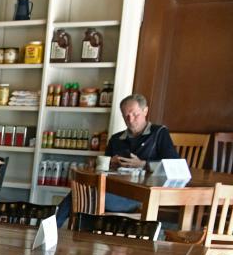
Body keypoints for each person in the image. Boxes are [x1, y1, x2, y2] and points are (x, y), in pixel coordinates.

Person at [55, 93, 179, 226]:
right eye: (126, 116)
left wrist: (144, 164)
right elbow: (101, 168)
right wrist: (109, 163)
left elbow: (174, 166)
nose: (130, 120)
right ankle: (65, 233)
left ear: (145, 111)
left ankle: (54, 230)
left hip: (140, 196)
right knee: (83, 194)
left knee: (86, 196)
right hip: (114, 190)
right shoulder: (116, 139)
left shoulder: (159, 133)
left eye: (135, 114)